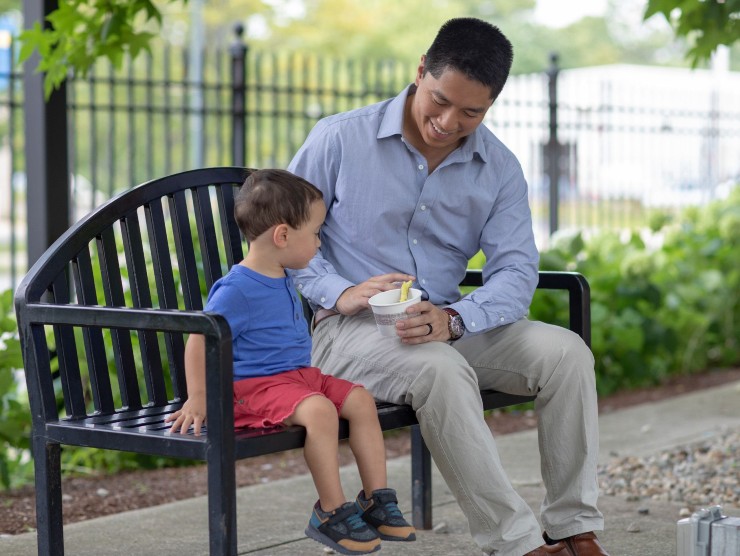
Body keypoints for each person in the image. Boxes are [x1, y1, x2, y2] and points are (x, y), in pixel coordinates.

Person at [287, 18, 610, 556]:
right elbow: (279, 238)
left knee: (566, 353)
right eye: (439, 100)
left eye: (470, 112)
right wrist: (339, 291)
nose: (447, 121)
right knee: (439, 368)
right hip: (346, 332)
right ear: (420, 71)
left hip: (442, 324)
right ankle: (517, 544)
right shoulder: (340, 138)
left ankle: (573, 524)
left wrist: (455, 319)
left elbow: (515, 271)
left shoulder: (498, 167)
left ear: (491, 105)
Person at [165, 169, 416, 555]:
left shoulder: (283, 273)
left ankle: (376, 499)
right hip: (253, 389)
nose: (319, 242)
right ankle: (330, 512)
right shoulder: (238, 288)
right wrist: (198, 397)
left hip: (298, 379)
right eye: (315, 233)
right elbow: (201, 336)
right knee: (319, 412)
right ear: (282, 236)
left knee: (360, 399)